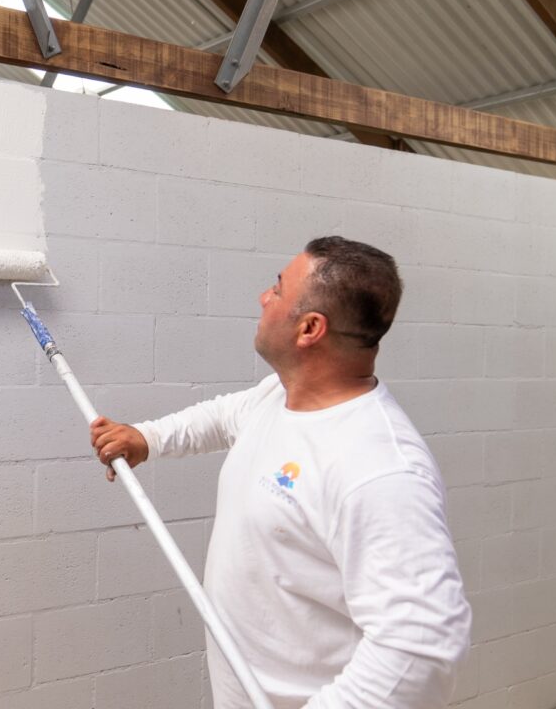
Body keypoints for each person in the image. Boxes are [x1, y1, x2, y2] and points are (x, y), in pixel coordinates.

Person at [90, 236, 471, 709]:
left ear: (310, 328)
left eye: (277, 288)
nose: (263, 297)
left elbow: (423, 648)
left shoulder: (380, 468)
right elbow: (225, 415)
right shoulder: (281, 396)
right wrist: (147, 438)